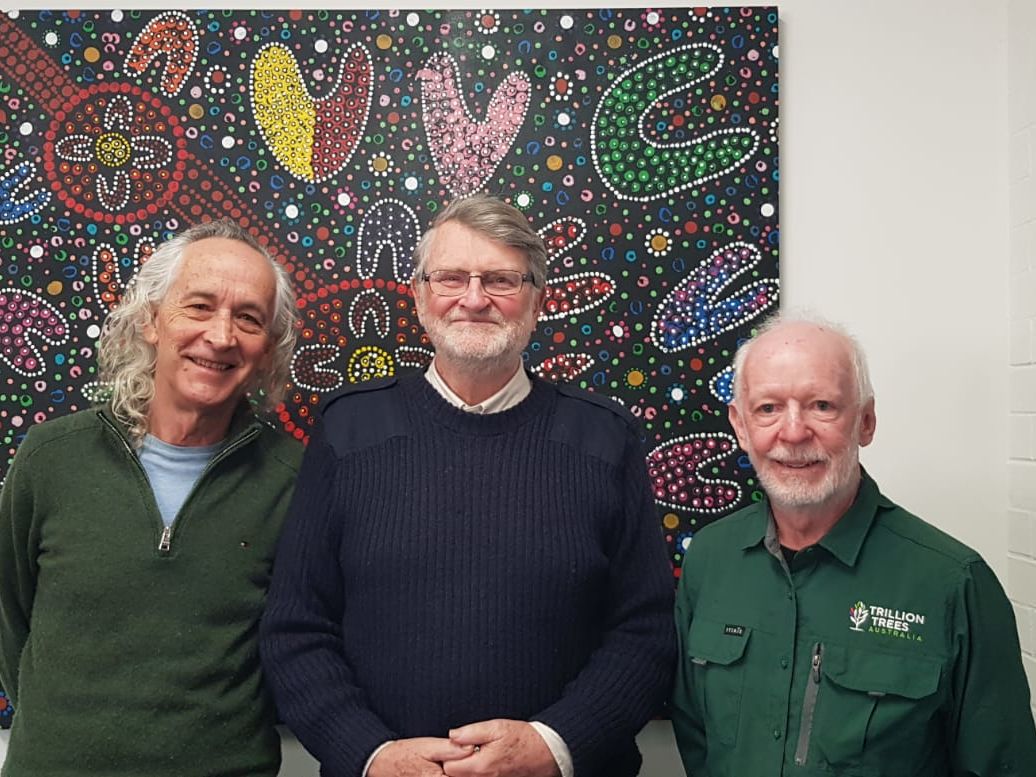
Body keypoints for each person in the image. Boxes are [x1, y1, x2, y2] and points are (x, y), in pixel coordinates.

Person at [261, 194, 675, 777]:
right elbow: (296, 627)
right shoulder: (348, 429)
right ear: (419, 295)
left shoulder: (605, 438)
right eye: (451, 278)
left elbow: (645, 632)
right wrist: (372, 755)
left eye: (501, 280)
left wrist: (554, 746)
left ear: (537, 301)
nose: (474, 299)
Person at [671, 314, 1036, 776]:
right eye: (768, 409)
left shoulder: (953, 583)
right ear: (741, 426)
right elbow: (696, 734)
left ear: (865, 421)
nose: (793, 432)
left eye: (822, 405)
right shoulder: (710, 560)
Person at [0, 219, 303, 776]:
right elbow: (9, 618)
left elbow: (303, 643)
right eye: (199, 306)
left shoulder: (295, 480)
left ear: (267, 349)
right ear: (151, 319)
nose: (221, 335)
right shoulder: (51, 457)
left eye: (249, 318)